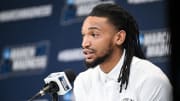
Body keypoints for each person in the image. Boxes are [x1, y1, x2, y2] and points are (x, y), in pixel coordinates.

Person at [73, 3, 172, 101]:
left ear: (119, 37)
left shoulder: (151, 80)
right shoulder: (83, 81)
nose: (84, 43)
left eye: (94, 34)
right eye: (83, 35)